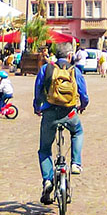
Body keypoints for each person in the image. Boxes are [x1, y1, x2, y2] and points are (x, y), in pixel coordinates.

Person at [34, 42, 88, 204]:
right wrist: (82, 106)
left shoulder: (46, 69)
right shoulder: (74, 71)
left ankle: (48, 180)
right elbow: (84, 94)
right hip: (69, 113)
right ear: (70, 55)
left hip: (50, 113)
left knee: (44, 149)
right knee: (77, 132)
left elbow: (38, 92)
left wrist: (37, 107)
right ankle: (76, 163)